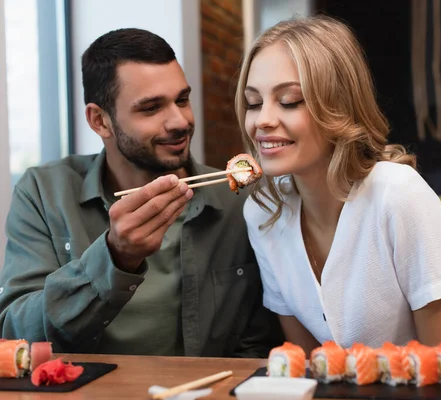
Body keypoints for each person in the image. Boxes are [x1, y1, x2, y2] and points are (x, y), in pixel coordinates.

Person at [0, 28, 281, 357]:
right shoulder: (45, 193)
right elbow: (15, 335)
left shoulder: (239, 200)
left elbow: (261, 341)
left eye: (182, 100)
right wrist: (115, 256)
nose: (179, 121)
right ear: (100, 121)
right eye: (151, 108)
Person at [236, 15, 441, 355]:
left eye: (290, 101)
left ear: (338, 107)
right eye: (253, 103)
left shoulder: (398, 196)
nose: (262, 120)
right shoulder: (263, 212)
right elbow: (311, 364)